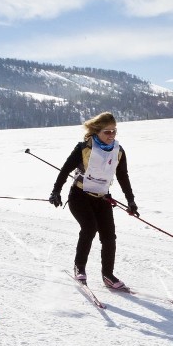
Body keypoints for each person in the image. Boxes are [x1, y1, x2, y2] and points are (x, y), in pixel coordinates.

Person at [49, 112, 139, 289]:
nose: (111, 135)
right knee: (89, 228)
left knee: (109, 236)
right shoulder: (84, 148)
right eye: (107, 132)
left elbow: (123, 177)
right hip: (79, 196)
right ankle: (79, 267)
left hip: (102, 198)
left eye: (114, 131)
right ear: (97, 131)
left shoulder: (118, 151)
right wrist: (56, 191)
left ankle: (108, 275)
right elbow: (65, 169)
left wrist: (131, 201)